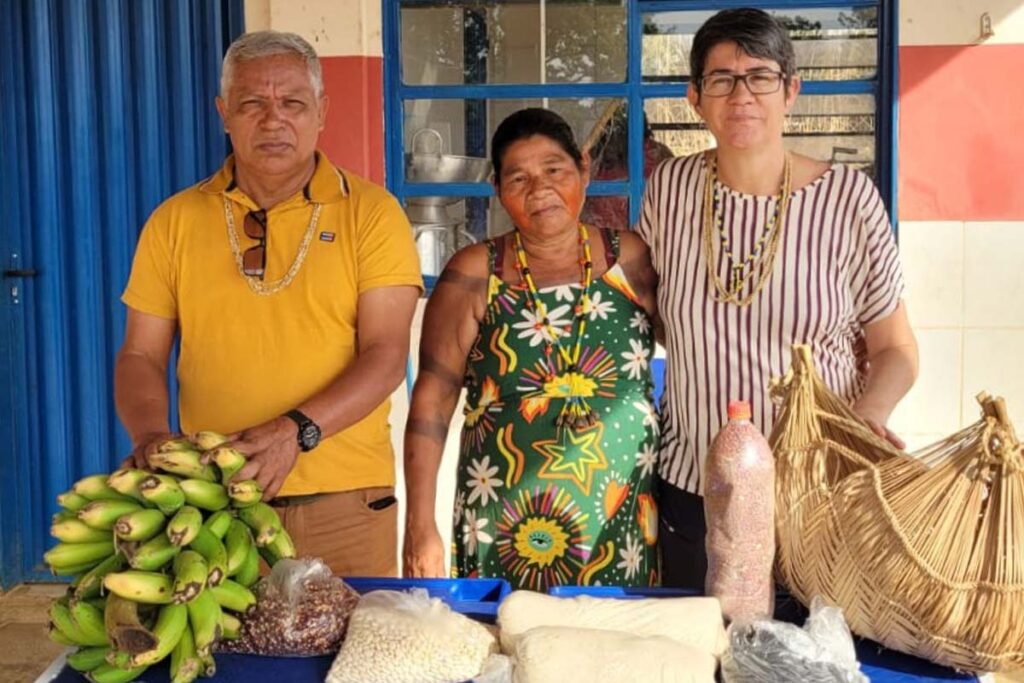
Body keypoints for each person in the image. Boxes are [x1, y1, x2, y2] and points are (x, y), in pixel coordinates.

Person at [115, 31, 422, 577]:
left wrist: (294, 432)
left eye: (293, 103)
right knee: (224, 659)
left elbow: (384, 355)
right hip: (213, 501)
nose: (273, 119)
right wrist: (149, 437)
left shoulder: (372, 213)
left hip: (346, 503)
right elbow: (140, 355)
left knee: (349, 659)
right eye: (252, 103)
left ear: (322, 111)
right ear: (223, 113)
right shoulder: (174, 221)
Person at [636, 9, 919, 590]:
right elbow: (662, 320)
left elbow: (896, 348)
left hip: (815, 491)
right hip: (695, 486)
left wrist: (866, 416)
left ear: (791, 91)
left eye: (760, 76)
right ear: (695, 97)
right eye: (721, 78)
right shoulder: (668, 189)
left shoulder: (849, 199)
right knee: (705, 661)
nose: (741, 94)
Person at [402, 108, 661, 591]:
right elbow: (431, 403)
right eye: (518, 178)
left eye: (554, 170)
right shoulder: (474, 272)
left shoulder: (630, 257)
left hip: (620, 513)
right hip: (503, 518)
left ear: (583, 169)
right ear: (498, 188)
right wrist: (420, 527)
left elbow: (695, 339)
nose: (539, 189)